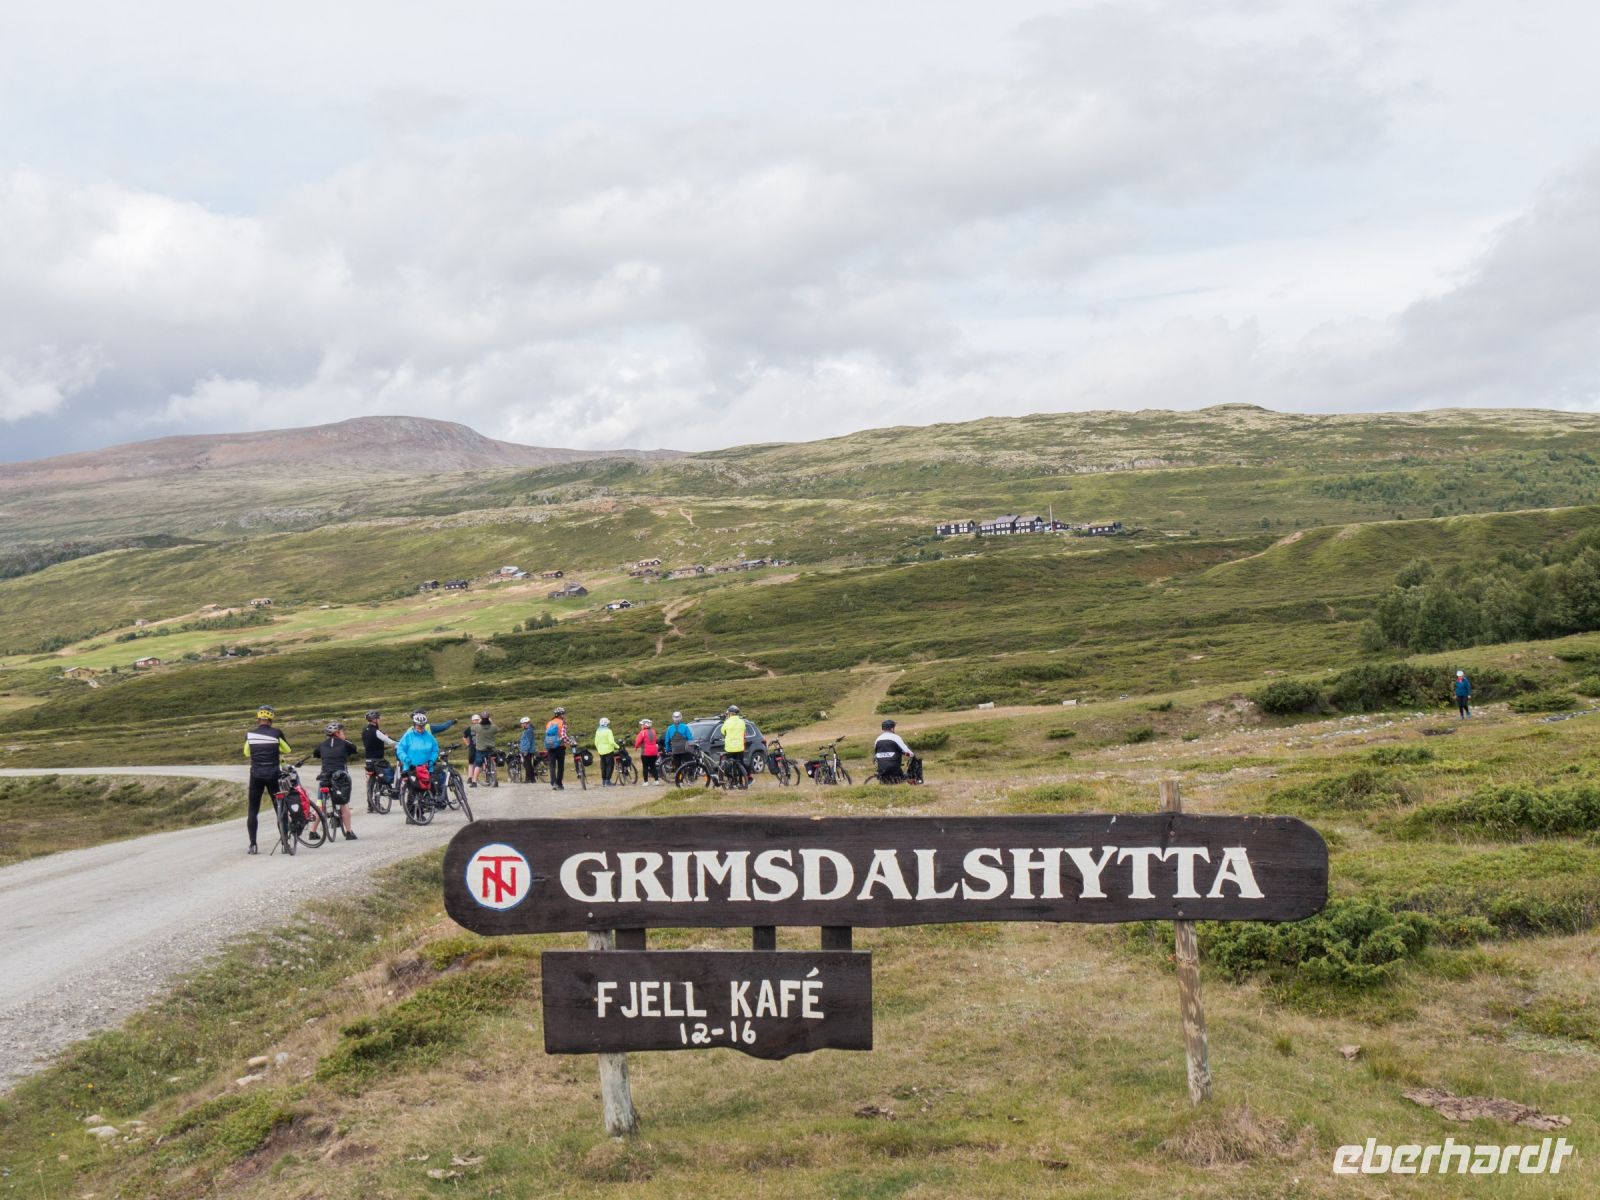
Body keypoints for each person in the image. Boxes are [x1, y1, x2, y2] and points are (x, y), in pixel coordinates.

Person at [242, 705, 292, 854]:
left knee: (253, 810)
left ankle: (253, 845)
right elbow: (287, 750)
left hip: (256, 775)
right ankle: (284, 843)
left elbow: (246, 753)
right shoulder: (276, 733)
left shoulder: (250, 734)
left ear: (258, 719)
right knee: (280, 808)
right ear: (271, 719)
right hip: (273, 774)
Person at [311, 720, 360, 839]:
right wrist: (344, 741)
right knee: (344, 804)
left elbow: (315, 754)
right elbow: (354, 749)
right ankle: (349, 832)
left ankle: (312, 832)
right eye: (342, 732)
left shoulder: (322, 745)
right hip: (340, 777)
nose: (344, 733)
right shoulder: (344, 743)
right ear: (337, 733)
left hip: (325, 777)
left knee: (321, 805)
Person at [396, 711, 442, 822]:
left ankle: (421, 813)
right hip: (411, 768)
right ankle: (411, 816)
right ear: (414, 725)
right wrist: (406, 759)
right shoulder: (408, 736)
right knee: (413, 791)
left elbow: (435, 749)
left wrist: (432, 760)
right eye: (418, 726)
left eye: (422, 726)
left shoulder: (429, 736)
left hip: (426, 768)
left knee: (424, 791)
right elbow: (400, 749)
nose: (420, 728)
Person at [361, 709, 397, 807]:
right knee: (386, 774)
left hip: (368, 760)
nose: (379, 720)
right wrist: (399, 743)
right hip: (378, 759)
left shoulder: (364, 731)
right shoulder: (376, 731)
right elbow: (389, 741)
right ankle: (387, 794)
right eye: (378, 718)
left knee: (370, 782)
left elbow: (370, 743)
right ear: (374, 720)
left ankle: (370, 805)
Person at [661, 710, 694, 777]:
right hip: (685, 749)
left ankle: (679, 779)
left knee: (677, 766)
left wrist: (668, 749)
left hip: (675, 750)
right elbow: (690, 738)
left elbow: (667, 740)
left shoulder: (670, 728)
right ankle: (691, 777)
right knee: (690, 763)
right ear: (681, 718)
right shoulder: (685, 727)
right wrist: (692, 748)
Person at [545, 707, 571, 790]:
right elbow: (563, 735)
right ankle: (559, 783)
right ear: (561, 715)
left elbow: (547, 734)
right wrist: (570, 742)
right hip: (560, 746)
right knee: (560, 766)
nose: (564, 715)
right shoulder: (562, 722)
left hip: (550, 746)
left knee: (552, 766)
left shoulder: (549, 723)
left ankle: (553, 782)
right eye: (563, 713)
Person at [720, 705, 748, 775]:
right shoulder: (742, 722)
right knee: (741, 763)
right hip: (739, 747)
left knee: (728, 763)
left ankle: (730, 777)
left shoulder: (727, 722)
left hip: (730, 748)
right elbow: (744, 732)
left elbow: (722, 732)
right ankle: (741, 781)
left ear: (730, 714)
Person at [635, 719, 660, 785]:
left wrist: (636, 747)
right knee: (653, 766)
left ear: (644, 725)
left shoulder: (642, 732)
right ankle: (656, 780)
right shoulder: (653, 731)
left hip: (645, 752)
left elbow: (638, 741)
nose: (641, 726)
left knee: (645, 766)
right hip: (654, 752)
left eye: (642, 724)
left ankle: (646, 782)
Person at [476, 711, 498, 785]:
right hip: (491, 748)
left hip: (481, 749)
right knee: (493, 759)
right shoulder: (493, 727)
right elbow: (496, 730)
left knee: (478, 765)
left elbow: (473, 730)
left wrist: (479, 723)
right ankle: (495, 779)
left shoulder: (478, 727)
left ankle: (473, 781)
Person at [595, 717, 619, 785]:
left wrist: (599, 749)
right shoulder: (608, 731)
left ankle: (603, 780)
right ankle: (607, 781)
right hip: (608, 750)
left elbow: (596, 742)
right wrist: (617, 746)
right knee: (610, 765)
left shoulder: (598, 731)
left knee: (603, 766)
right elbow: (611, 742)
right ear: (606, 724)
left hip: (600, 751)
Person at [518, 716, 539, 782]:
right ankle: (532, 779)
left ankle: (528, 779)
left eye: (522, 724)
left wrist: (526, 750)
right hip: (528, 749)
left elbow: (528, 741)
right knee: (528, 764)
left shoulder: (528, 731)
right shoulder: (528, 730)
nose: (521, 725)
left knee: (527, 765)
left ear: (525, 723)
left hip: (527, 750)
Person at [464, 713, 482, 786]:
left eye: (477, 720)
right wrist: (468, 744)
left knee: (480, 763)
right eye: (475, 720)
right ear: (472, 721)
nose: (476, 721)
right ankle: (470, 778)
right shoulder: (469, 729)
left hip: (481, 747)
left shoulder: (482, 728)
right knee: (471, 763)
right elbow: (464, 737)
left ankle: (474, 777)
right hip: (472, 748)